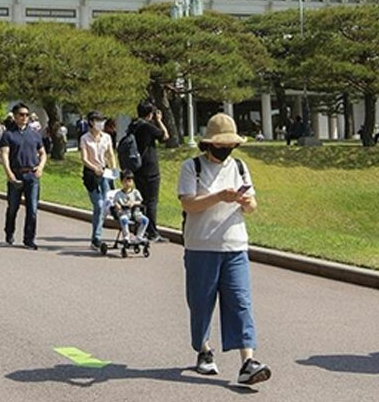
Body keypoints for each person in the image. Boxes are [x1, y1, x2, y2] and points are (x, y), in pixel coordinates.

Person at [178, 113, 270, 387]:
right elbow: (189, 204)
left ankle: (247, 361)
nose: (226, 148)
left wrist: (244, 201)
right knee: (201, 303)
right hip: (201, 245)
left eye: (230, 144)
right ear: (209, 144)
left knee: (241, 302)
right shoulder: (191, 167)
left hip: (235, 244)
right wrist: (219, 196)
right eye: (221, 144)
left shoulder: (240, 167)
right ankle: (204, 350)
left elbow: (253, 206)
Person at [1, 102, 46, 250]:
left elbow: (43, 153)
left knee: (32, 209)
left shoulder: (34, 134)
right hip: (16, 175)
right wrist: (9, 174)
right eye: (21, 115)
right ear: (14, 116)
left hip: (32, 175)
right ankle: (9, 232)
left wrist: (40, 167)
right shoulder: (8, 134)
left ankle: (29, 239)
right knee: (13, 207)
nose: (24, 117)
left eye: (27, 115)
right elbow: (5, 155)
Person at [129, 102, 169, 242]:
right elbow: (165, 137)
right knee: (151, 201)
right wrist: (159, 120)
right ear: (149, 114)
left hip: (137, 168)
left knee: (143, 200)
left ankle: (142, 229)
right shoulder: (147, 126)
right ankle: (152, 232)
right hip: (150, 168)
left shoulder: (133, 125)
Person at [80, 111, 115, 250]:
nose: (100, 124)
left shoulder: (106, 137)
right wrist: (94, 168)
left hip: (105, 173)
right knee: (99, 205)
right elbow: (84, 158)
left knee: (107, 204)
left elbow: (111, 154)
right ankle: (96, 238)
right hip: (91, 174)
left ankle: (97, 236)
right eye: (97, 121)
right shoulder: (85, 138)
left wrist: (114, 168)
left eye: (102, 121)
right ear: (91, 122)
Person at [113, 171, 149, 244]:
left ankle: (139, 236)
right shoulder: (119, 194)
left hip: (135, 212)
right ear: (122, 182)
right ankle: (126, 236)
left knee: (145, 220)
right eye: (125, 181)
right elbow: (115, 201)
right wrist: (117, 205)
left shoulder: (135, 192)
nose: (127, 183)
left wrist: (134, 203)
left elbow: (140, 201)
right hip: (124, 212)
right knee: (124, 220)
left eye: (129, 181)